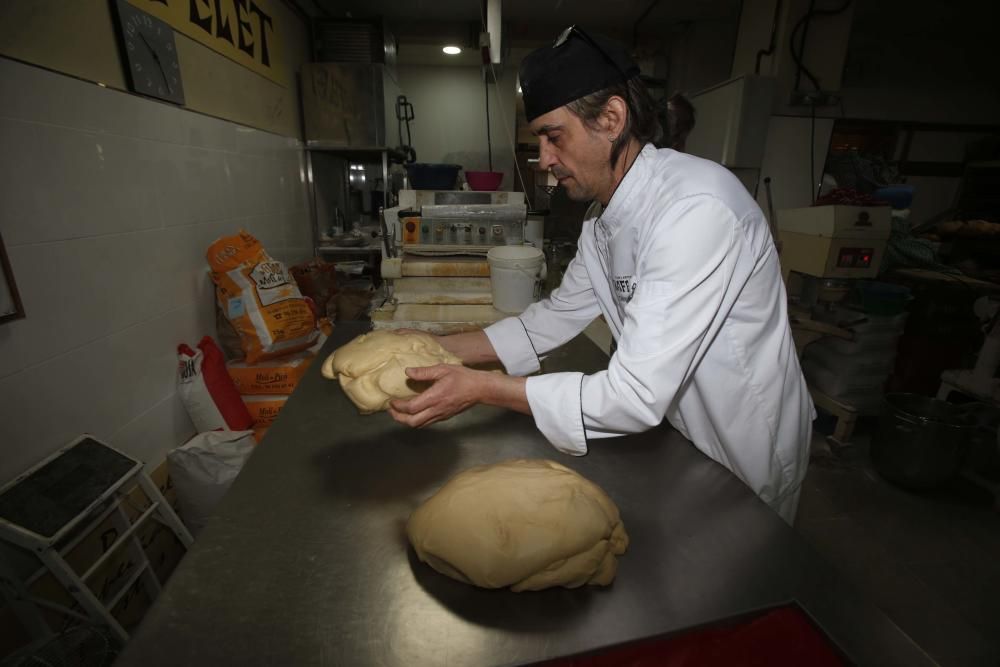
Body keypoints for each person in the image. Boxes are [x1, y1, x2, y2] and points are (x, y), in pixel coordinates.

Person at [389, 26, 814, 524]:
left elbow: (634, 395)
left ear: (612, 118)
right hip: (684, 433)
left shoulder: (696, 210)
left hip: (746, 444)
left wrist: (483, 388)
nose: (545, 160)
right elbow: (551, 319)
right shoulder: (602, 218)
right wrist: (429, 346)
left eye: (554, 136)